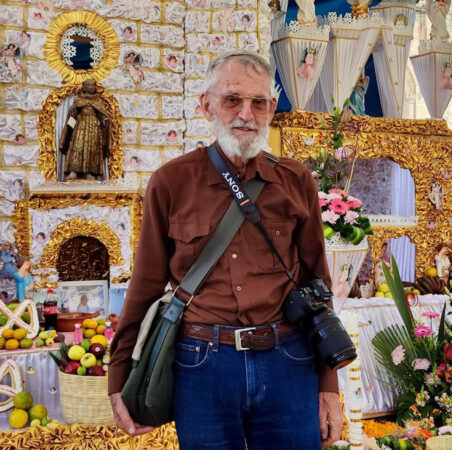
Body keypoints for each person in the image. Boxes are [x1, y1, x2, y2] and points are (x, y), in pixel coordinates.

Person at [108, 51, 342, 448]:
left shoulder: (295, 180)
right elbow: (145, 285)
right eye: (232, 99)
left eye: (259, 102)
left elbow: (317, 284)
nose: (246, 114)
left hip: (288, 360)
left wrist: (328, 384)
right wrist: (119, 378)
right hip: (201, 365)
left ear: (271, 108)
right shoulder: (171, 182)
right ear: (207, 105)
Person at [58, 79, 112, 180]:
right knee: (77, 147)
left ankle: (90, 173)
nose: (91, 87)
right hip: (80, 126)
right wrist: (72, 114)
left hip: (94, 128)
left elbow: (102, 115)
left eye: (93, 85)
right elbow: (72, 117)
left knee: (92, 149)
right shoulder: (79, 100)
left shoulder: (98, 101)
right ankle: (73, 172)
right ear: (84, 88)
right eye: (89, 85)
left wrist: (105, 121)